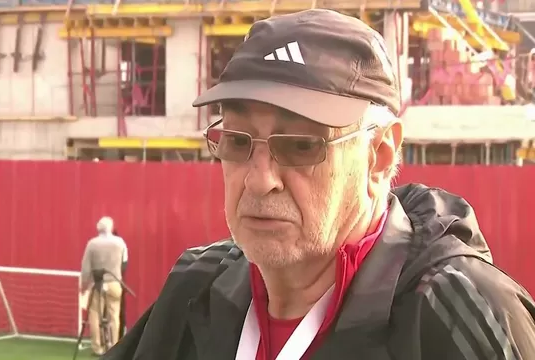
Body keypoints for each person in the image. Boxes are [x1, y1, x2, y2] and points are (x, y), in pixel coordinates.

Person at [104, 9, 535, 360]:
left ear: (378, 157)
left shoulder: (456, 312)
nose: (259, 180)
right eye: (237, 141)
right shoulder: (196, 287)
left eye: (299, 145)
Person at [80, 216, 127, 355]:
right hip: (114, 282)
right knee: (114, 315)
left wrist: (84, 284)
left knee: (94, 315)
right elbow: (124, 261)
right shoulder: (120, 243)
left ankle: (97, 347)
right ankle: (114, 346)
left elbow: (86, 267)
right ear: (111, 228)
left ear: (98, 228)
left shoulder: (92, 244)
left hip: (98, 284)